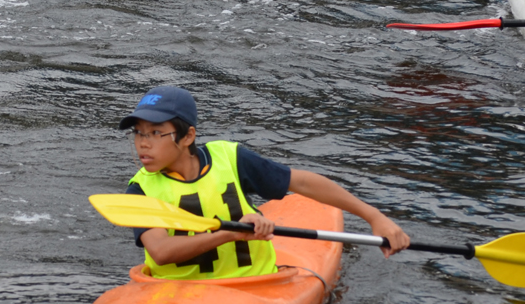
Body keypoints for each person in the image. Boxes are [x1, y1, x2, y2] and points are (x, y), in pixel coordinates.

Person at [119, 86, 410, 280]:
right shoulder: (140, 188)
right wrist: (234, 233)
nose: (143, 145)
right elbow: (162, 251)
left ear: (188, 137)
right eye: (138, 133)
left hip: (254, 283)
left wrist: (375, 216)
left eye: (156, 133)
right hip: (176, 292)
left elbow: (304, 184)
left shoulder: (231, 158)